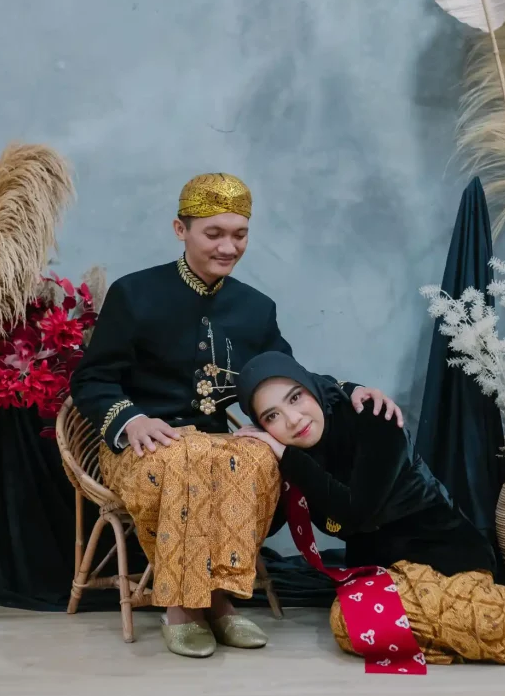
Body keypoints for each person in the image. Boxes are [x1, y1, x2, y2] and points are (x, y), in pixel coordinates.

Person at [71, 173, 403, 658]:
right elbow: (91, 379)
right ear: (180, 230)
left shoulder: (255, 308)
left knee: (257, 458)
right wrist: (131, 420)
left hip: (213, 444)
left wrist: (350, 390)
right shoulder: (134, 293)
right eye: (214, 233)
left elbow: (287, 375)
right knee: (187, 459)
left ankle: (220, 600)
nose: (228, 247)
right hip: (141, 446)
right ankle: (184, 609)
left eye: (240, 235)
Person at [236, 352, 505, 665]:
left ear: (310, 387)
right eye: (272, 416)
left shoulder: (372, 417)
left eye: (295, 398)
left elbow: (358, 511)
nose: (293, 419)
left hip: (444, 557)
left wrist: (286, 457)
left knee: (387, 617)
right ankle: (499, 618)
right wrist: (251, 466)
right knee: (350, 624)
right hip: (385, 575)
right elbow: (268, 525)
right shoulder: (292, 456)